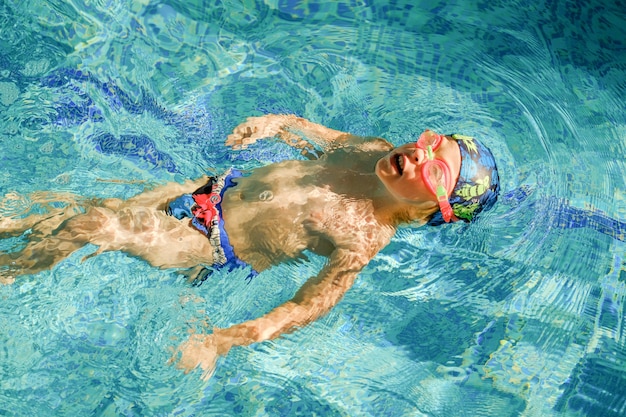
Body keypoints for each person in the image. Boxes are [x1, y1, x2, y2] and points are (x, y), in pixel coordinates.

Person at [0, 114, 500, 379]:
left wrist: (220, 340)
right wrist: (270, 125)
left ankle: (9, 273)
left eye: (434, 170)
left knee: (91, 226)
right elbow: (303, 131)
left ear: (427, 211)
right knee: (60, 213)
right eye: (432, 143)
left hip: (207, 243)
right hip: (209, 188)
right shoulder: (368, 149)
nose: (419, 154)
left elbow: (306, 307)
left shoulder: (363, 236)